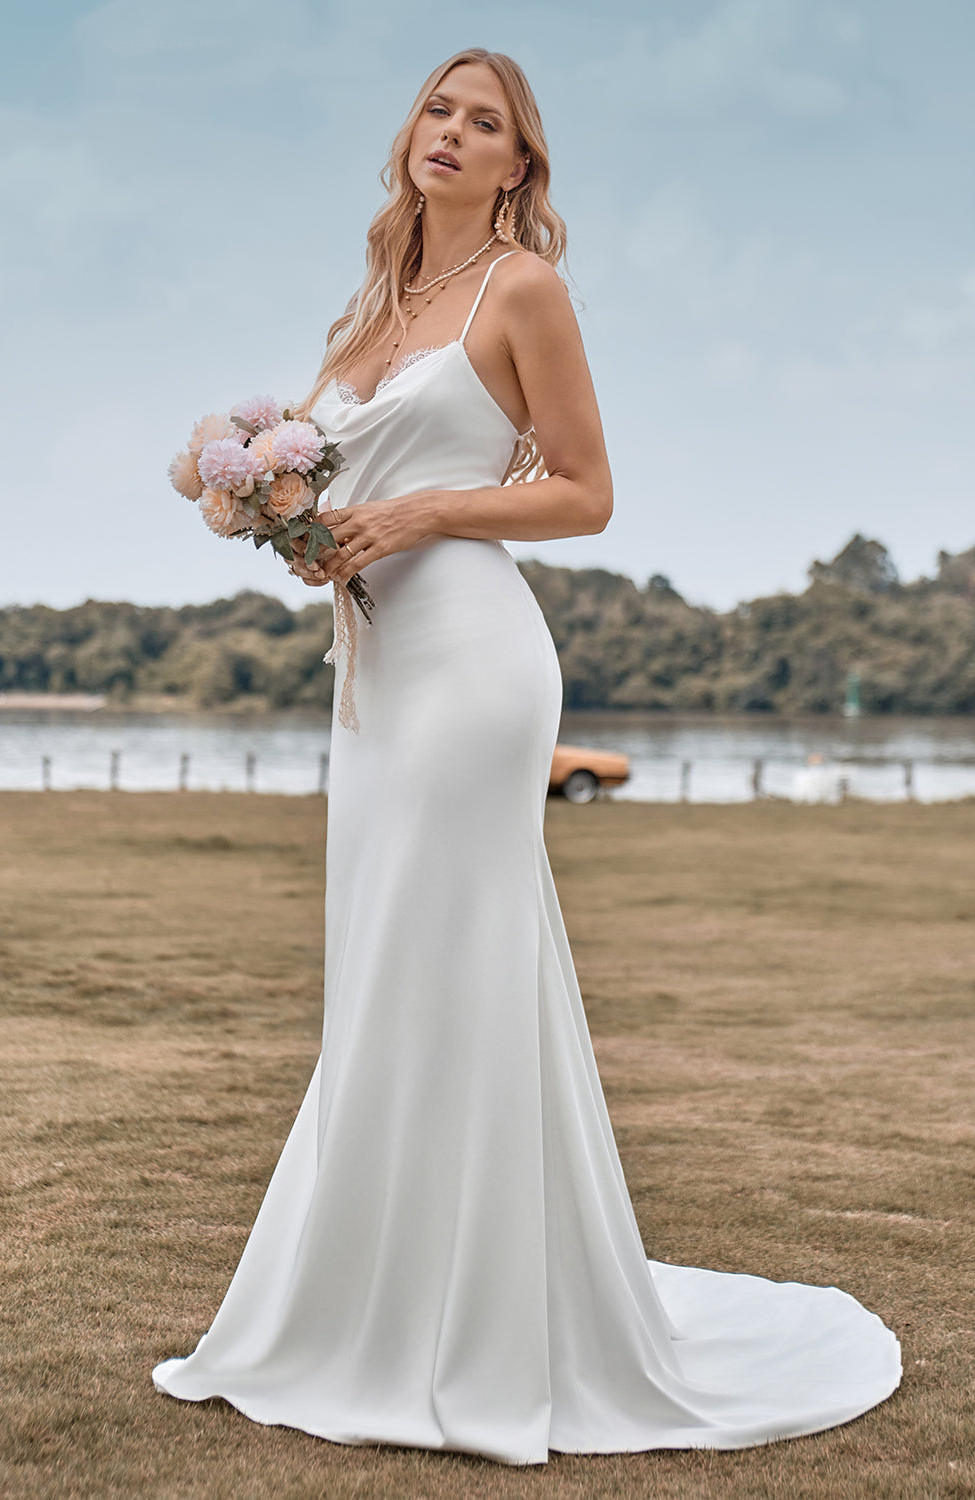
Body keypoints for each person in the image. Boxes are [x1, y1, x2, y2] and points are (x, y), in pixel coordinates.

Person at [153, 49, 900, 1466]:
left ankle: (470, 1328)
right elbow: (355, 497)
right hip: (373, 673)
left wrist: (422, 514)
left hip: (477, 667)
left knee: (451, 963)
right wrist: (296, 520)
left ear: (519, 167)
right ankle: (371, 1301)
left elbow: (587, 490)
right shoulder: (375, 302)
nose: (453, 133)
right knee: (383, 967)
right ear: (412, 135)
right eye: (440, 109)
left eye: (486, 123)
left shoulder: (523, 291)